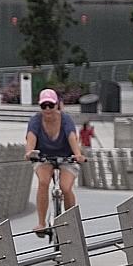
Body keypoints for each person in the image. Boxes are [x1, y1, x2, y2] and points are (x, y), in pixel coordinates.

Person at [25, 88, 86, 238]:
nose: (47, 110)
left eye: (50, 105)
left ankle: (71, 222)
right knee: (44, 182)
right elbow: (30, 138)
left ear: (57, 105)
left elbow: (72, 137)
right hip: (44, 158)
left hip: (66, 157)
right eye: (43, 106)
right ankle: (41, 223)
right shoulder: (35, 121)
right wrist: (29, 153)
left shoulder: (65, 119)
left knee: (65, 187)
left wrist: (78, 155)